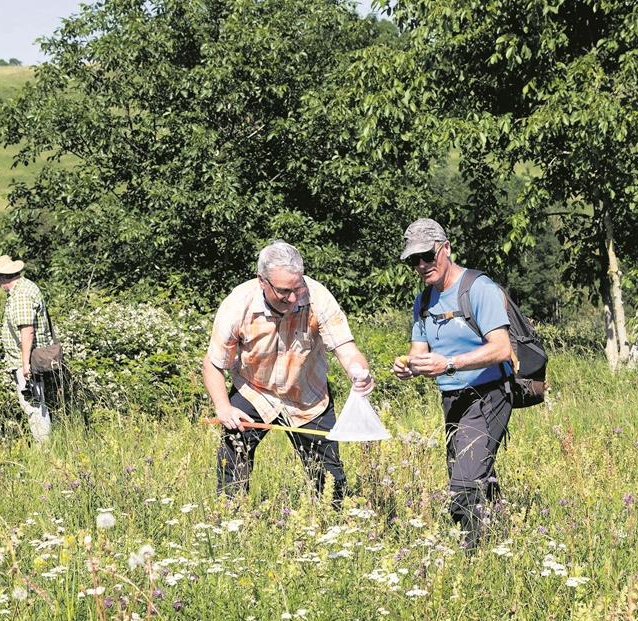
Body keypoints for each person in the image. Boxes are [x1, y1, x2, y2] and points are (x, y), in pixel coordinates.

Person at [202, 240, 375, 507]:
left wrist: (358, 372)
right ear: (262, 281)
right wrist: (223, 408)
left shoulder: (318, 297)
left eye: (297, 288)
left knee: (329, 477)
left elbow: (346, 347)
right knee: (233, 455)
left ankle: (334, 522)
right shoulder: (238, 304)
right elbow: (213, 364)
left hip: (307, 395)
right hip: (255, 390)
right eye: (284, 291)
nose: (293, 298)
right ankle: (229, 518)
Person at [390, 218, 514, 551]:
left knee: (463, 482)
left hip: (488, 394)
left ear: (445, 249)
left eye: (427, 256)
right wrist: (408, 367)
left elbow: (502, 348)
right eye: (413, 260)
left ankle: (471, 556)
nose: (421, 265)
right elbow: (419, 352)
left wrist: (449, 363)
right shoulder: (424, 301)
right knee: (472, 474)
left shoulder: (479, 288)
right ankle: (501, 542)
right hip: (451, 398)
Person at [0, 255, 52, 442]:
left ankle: (44, 448)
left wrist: (25, 365)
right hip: (30, 357)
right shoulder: (24, 288)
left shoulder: (21, 294)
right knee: (36, 403)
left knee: (33, 405)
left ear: (2, 277)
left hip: (28, 359)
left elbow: (27, 331)